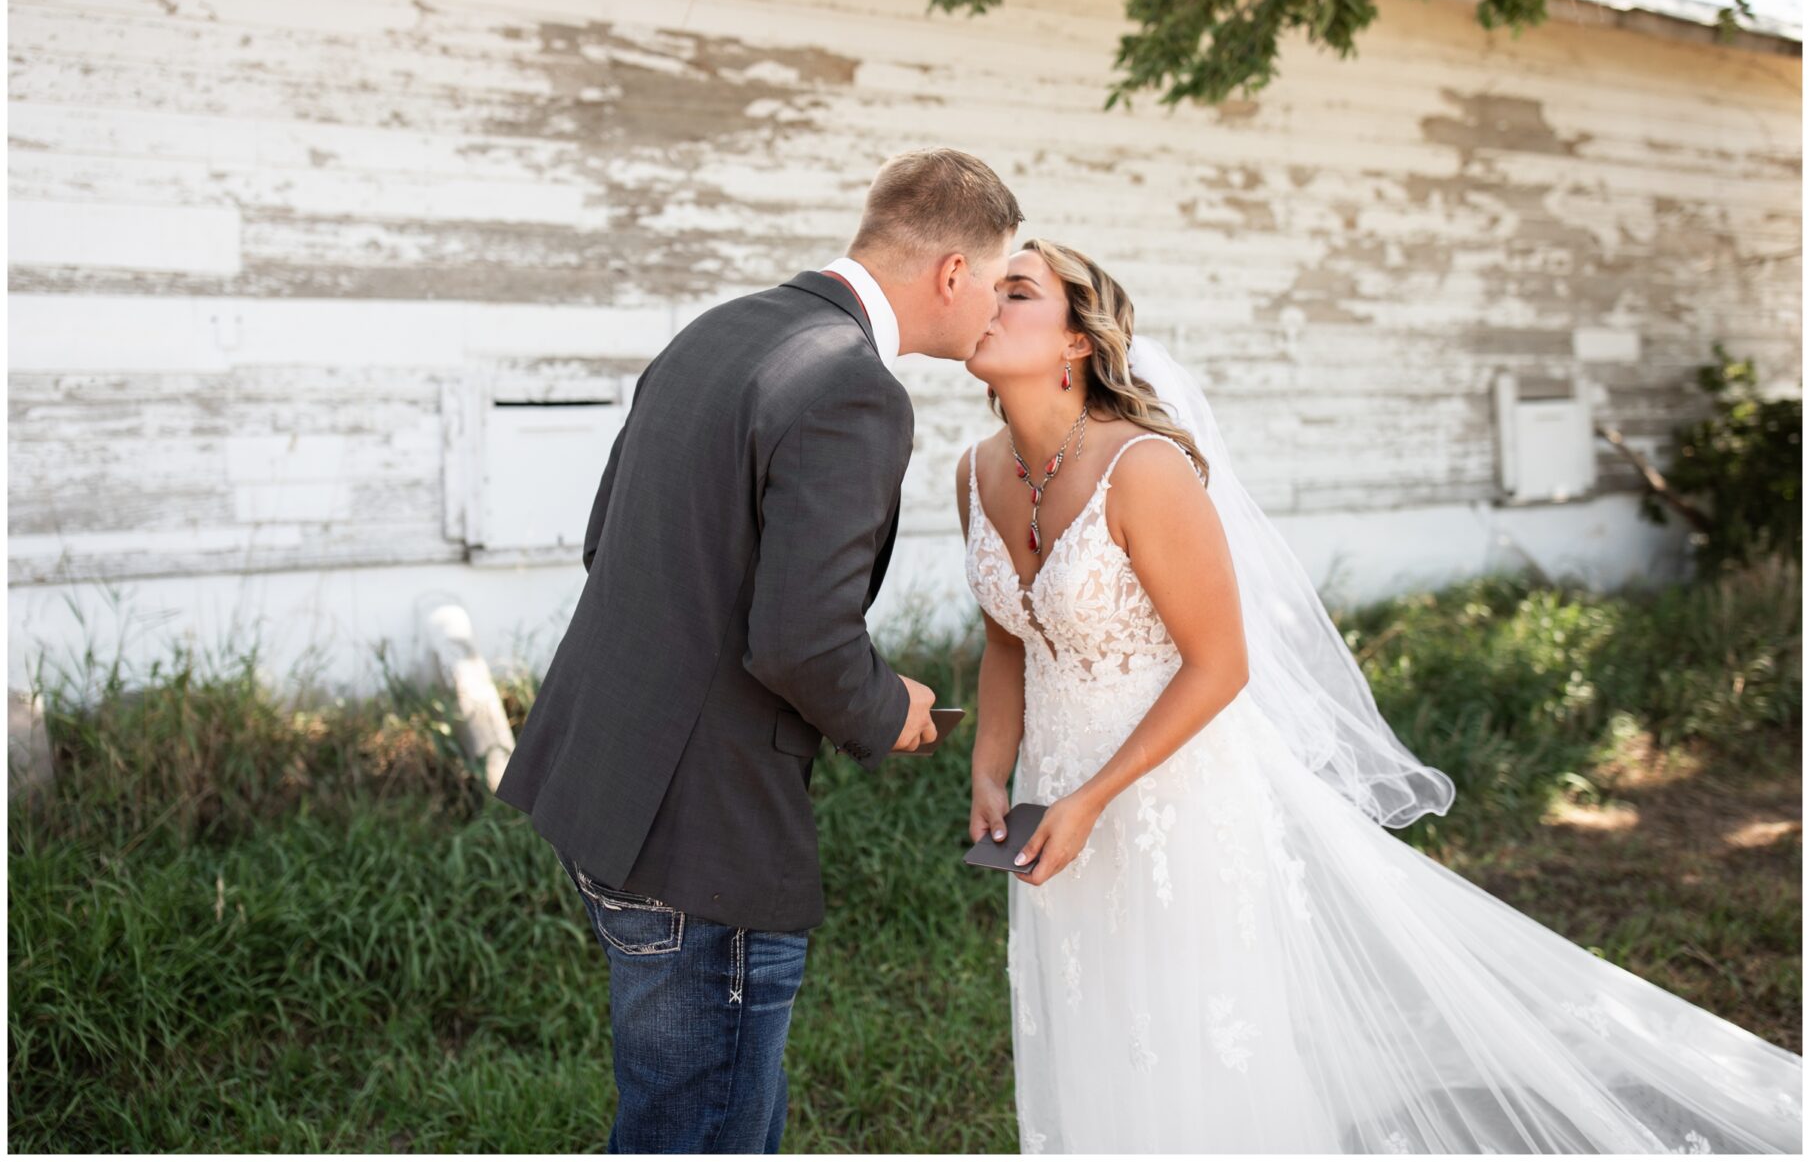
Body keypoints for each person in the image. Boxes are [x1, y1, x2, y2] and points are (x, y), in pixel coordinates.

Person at [959, 239, 1803, 1154]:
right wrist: (990, 769)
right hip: (1053, 798)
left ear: (1079, 340)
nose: (989, 303)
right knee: (1093, 1010)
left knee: (1190, 1034)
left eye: (1019, 290)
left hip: (1172, 798)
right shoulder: (973, 472)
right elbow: (1012, 635)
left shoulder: (1145, 470)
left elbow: (1220, 665)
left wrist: (1094, 797)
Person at [498, 149, 1022, 1154]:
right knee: (701, 1130)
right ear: (952, 272)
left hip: (604, 787)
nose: (996, 306)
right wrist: (890, 705)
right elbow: (800, 639)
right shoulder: (853, 388)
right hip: (702, 833)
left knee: (714, 1107)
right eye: (998, 281)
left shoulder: (716, 330)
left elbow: (607, 540)